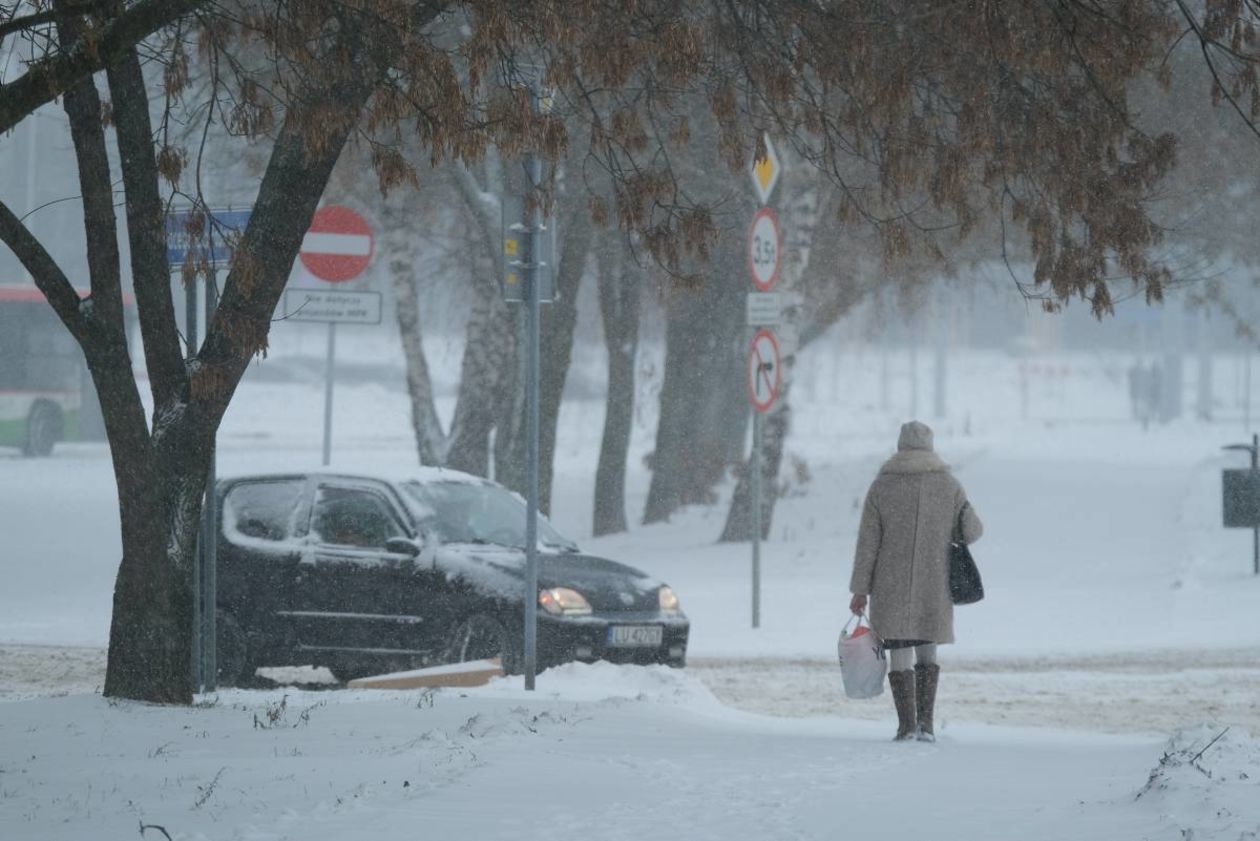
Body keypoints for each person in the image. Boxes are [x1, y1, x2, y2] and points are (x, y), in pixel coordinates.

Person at [848, 421, 983, 742]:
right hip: (933, 580)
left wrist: (860, 589)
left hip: (890, 581)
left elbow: (868, 542)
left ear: (900, 446)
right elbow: (973, 531)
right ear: (931, 446)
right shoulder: (949, 485)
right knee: (927, 648)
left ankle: (905, 725)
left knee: (899, 649)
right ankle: (927, 725)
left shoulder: (882, 485)